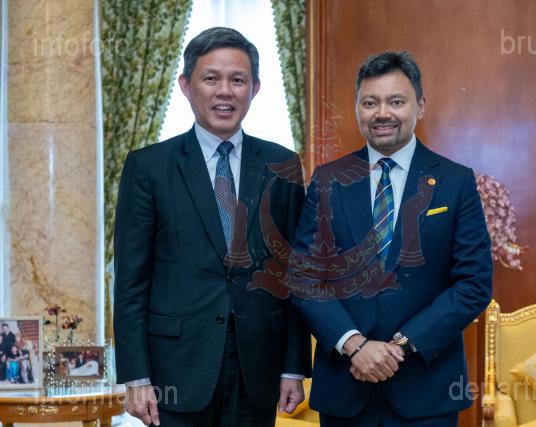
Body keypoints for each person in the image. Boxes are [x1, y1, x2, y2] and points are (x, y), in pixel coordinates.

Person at [114, 27, 311, 427]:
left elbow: (294, 274)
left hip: (257, 369)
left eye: (237, 80)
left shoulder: (283, 165)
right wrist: (136, 376)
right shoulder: (148, 167)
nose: (225, 91)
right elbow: (131, 281)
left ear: (254, 88)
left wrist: (293, 366)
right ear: (186, 86)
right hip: (176, 368)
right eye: (211, 78)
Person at [291, 51, 493, 426]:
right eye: (370, 103)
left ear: (421, 105)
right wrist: (355, 345)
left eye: (396, 101)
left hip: (426, 390)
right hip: (345, 388)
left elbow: (473, 283)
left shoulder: (455, 181)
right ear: (357, 108)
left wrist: (399, 346)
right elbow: (304, 277)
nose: (382, 113)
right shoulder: (328, 180)